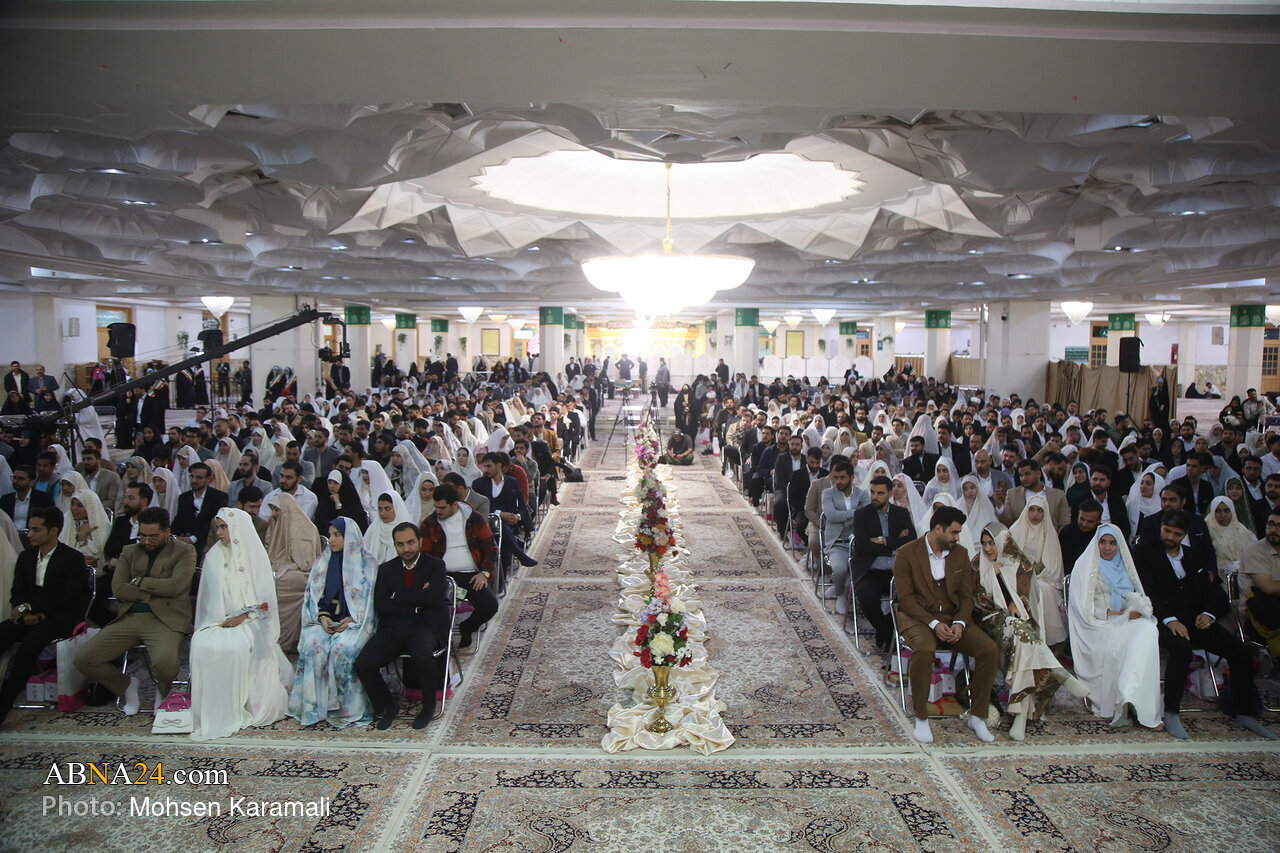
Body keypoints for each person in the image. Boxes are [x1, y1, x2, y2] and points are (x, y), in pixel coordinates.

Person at [1134, 510, 1275, 740]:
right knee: (1182, 650)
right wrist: (1170, 620)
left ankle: (1244, 712)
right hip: (1160, 620)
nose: (1170, 537)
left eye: (1176, 534)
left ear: (1185, 535)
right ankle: (1171, 712)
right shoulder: (1144, 553)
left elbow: (1213, 591)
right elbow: (1148, 592)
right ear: (1161, 527)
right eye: (1167, 531)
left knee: (1240, 652)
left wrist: (1209, 614)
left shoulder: (1193, 556)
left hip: (1195, 619)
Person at [892, 505, 999, 743]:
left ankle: (978, 716)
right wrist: (933, 623)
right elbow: (906, 600)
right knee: (924, 649)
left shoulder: (960, 554)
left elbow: (966, 596)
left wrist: (960, 623)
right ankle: (921, 717)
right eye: (954, 532)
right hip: (918, 618)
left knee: (989, 650)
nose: (957, 538)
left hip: (953, 618)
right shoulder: (906, 554)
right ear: (938, 529)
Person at [73, 507, 195, 715]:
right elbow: (119, 589)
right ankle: (126, 686)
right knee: (84, 659)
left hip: (166, 619)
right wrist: (155, 592)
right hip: (130, 617)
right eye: (143, 536)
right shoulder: (129, 551)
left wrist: (139, 581)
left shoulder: (184, 551)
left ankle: (163, 691)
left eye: (153, 536)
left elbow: (177, 586)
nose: (146, 541)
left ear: (167, 532)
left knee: (166, 665)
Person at [973, 522, 1089, 740]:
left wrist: (1012, 598)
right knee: (1022, 636)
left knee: (1022, 645)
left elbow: (1030, 603)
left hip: (1020, 626)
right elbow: (978, 603)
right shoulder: (977, 565)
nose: (987, 548)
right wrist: (991, 576)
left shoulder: (1020, 564)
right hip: (990, 623)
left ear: (1003, 542)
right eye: (984, 543)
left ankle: (1020, 717)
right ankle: (1057, 671)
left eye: (992, 543)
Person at [189, 508, 292, 741]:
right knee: (201, 645)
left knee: (235, 647)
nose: (219, 533)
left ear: (237, 528)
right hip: (218, 620)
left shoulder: (253, 555)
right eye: (218, 527)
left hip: (251, 621)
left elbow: (264, 603)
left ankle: (240, 705)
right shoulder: (213, 556)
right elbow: (208, 599)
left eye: (224, 527)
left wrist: (243, 617)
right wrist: (219, 619)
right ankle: (211, 709)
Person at [0, 507, 91, 726]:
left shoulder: (72, 558)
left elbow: (68, 597)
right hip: (31, 614)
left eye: (35, 530)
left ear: (53, 531)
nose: (29, 534)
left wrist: (32, 608)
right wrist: (25, 610)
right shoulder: (26, 557)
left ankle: (2, 707)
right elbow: (17, 591)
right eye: (29, 529)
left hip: (62, 617)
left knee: (27, 651)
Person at [354, 522, 451, 729]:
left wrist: (397, 595)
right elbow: (381, 605)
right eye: (400, 544)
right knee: (363, 663)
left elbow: (433, 597)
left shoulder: (435, 566)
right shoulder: (386, 569)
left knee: (422, 654)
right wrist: (417, 601)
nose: (406, 549)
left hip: (426, 625)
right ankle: (387, 703)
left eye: (410, 542)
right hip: (394, 627)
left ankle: (428, 706)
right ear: (395, 545)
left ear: (420, 541)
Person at [1068, 523, 1163, 729]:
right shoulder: (1084, 566)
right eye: (1102, 542)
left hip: (1127, 620)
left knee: (1148, 630)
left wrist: (1135, 610)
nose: (1107, 548)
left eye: (1112, 543)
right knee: (1124, 642)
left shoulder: (1125, 567)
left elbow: (1135, 595)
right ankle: (1126, 698)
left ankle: (1136, 701)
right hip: (1098, 624)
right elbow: (1078, 606)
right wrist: (1108, 613)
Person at [289, 517, 379, 728]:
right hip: (326, 622)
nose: (331, 540)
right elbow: (314, 597)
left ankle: (347, 709)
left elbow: (370, 604)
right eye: (330, 535)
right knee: (314, 646)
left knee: (341, 649)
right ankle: (315, 708)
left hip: (357, 623)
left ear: (350, 537)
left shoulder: (367, 563)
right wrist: (322, 617)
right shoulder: (323, 562)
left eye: (337, 535)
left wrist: (351, 620)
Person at [419, 483, 500, 651]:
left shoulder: (474, 519)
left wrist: (484, 573)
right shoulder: (429, 524)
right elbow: (425, 556)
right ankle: (440, 643)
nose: (438, 511)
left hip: (471, 575)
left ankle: (467, 627)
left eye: (442, 508)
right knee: (433, 606)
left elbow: (491, 549)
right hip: (443, 576)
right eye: (436, 507)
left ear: (454, 504)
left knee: (490, 605)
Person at [849, 475, 914, 649]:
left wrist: (882, 540)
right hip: (871, 570)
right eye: (872, 492)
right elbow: (862, 546)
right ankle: (885, 631)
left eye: (880, 493)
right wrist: (894, 543)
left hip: (897, 570)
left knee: (912, 599)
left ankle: (889, 628)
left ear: (890, 494)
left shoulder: (901, 513)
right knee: (866, 598)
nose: (875, 497)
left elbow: (911, 540)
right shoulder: (862, 514)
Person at [264, 491, 323, 654]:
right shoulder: (275, 524)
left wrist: (284, 567)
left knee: (280, 582)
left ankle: (282, 637)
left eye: (277, 510)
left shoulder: (302, 527)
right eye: (272, 510)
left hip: (304, 573)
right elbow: (270, 551)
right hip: (281, 567)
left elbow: (305, 563)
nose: (274, 514)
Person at [1008, 493, 1068, 646]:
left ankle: (1046, 639)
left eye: (1040, 510)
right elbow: (1007, 558)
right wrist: (1025, 570)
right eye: (1032, 509)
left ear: (1045, 513)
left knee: (1044, 589)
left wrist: (1035, 571)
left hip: (1042, 577)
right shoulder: (1015, 530)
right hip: (1016, 575)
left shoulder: (1050, 533)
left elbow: (1053, 566)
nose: (1035, 514)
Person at [820, 458, 866, 612]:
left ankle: (845, 585)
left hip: (859, 542)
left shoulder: (862, 494)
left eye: (842, 478)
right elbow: (831, 515)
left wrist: (845, 516)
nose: (838, 481)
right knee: (839, 569)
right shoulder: (828, 493)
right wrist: (855, 514)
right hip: (837, 542)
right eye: (836, 478)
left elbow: (866, 514)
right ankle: (840, 594)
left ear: (852, 477)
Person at [171, 462, 228, 562]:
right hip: (185, 540)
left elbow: (213, 522)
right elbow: (179, 520)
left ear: (208, 479)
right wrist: (173, 536)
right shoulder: (184, 497)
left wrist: (193, 538)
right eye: (192, 476)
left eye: (199, 477)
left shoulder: (219, 497)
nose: (194, 480)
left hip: (207, 541)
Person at [1242, 507, 1280, 657]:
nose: (1273, 530)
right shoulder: (1254, 551)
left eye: (1279, 526)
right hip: (1259, 614)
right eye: (1270, 524)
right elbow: (1268, 587)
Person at [364, 490, 413, 565]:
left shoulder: (407, 530)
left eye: (387, 509)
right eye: (380, 509)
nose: (382, 513)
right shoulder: (374, 528)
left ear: (396, 508)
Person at [1, 464, 52, 530]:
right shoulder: (5, 499)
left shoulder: (44, 498)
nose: (16, 481)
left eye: (21, 479)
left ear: (32, 482)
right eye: (14, 478)